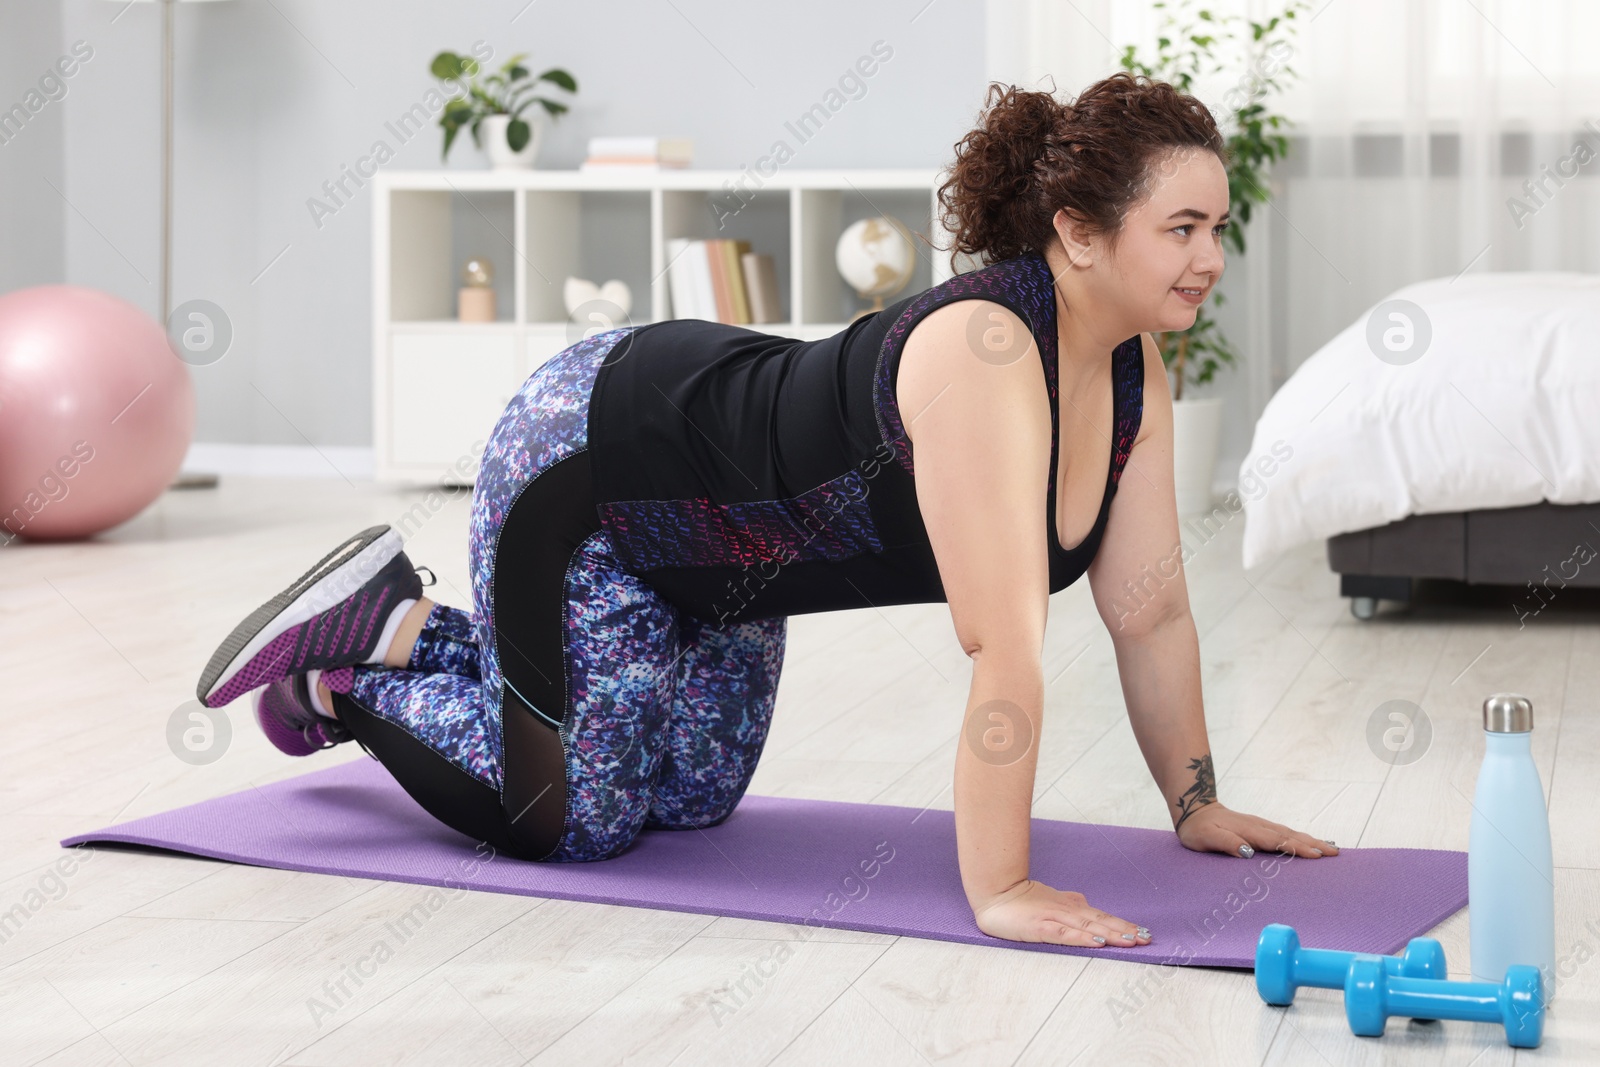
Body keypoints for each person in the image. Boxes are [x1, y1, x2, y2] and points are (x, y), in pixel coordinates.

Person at [195, 71, 1337, 952]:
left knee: (691, 799)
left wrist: (1196, 803)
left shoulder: (1132, 363)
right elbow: (1003, 643)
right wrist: (999, 884)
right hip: (598, 470)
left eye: (1214, 227)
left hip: (728, 557)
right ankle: (349, 666)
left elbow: (1150, 615)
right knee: (573, 817)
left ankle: (418, 630)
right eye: (1178, 228)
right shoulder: (989, 348)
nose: (1208, 257)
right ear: (1081, 232)